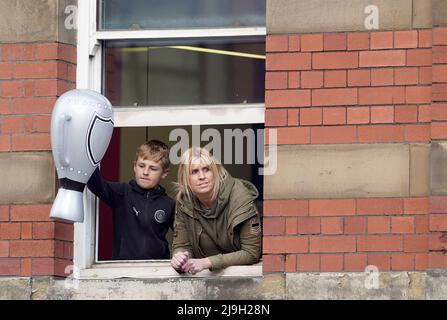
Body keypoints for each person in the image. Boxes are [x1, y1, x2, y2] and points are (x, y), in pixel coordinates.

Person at [170, 147, 261, 274]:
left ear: (215, 171)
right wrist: (179, 257)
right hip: (204, 280)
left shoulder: (239, 196)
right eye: (194, 172)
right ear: (185, 178)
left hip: (242, 275)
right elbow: (183, 245)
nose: (202, 176)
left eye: (206, 169)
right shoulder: (185, 201)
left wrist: (207, 262)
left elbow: (251, 253)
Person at [87, 139, 175, 260]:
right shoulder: (122, 193)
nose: (145, 172)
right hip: (123, 270)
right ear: (134, 166)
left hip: (157, 270)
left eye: (153, 169)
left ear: (164, 173)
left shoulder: (169, 204)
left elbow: (185, 239)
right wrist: (87, 148)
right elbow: (94, 183)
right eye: (141, 166)